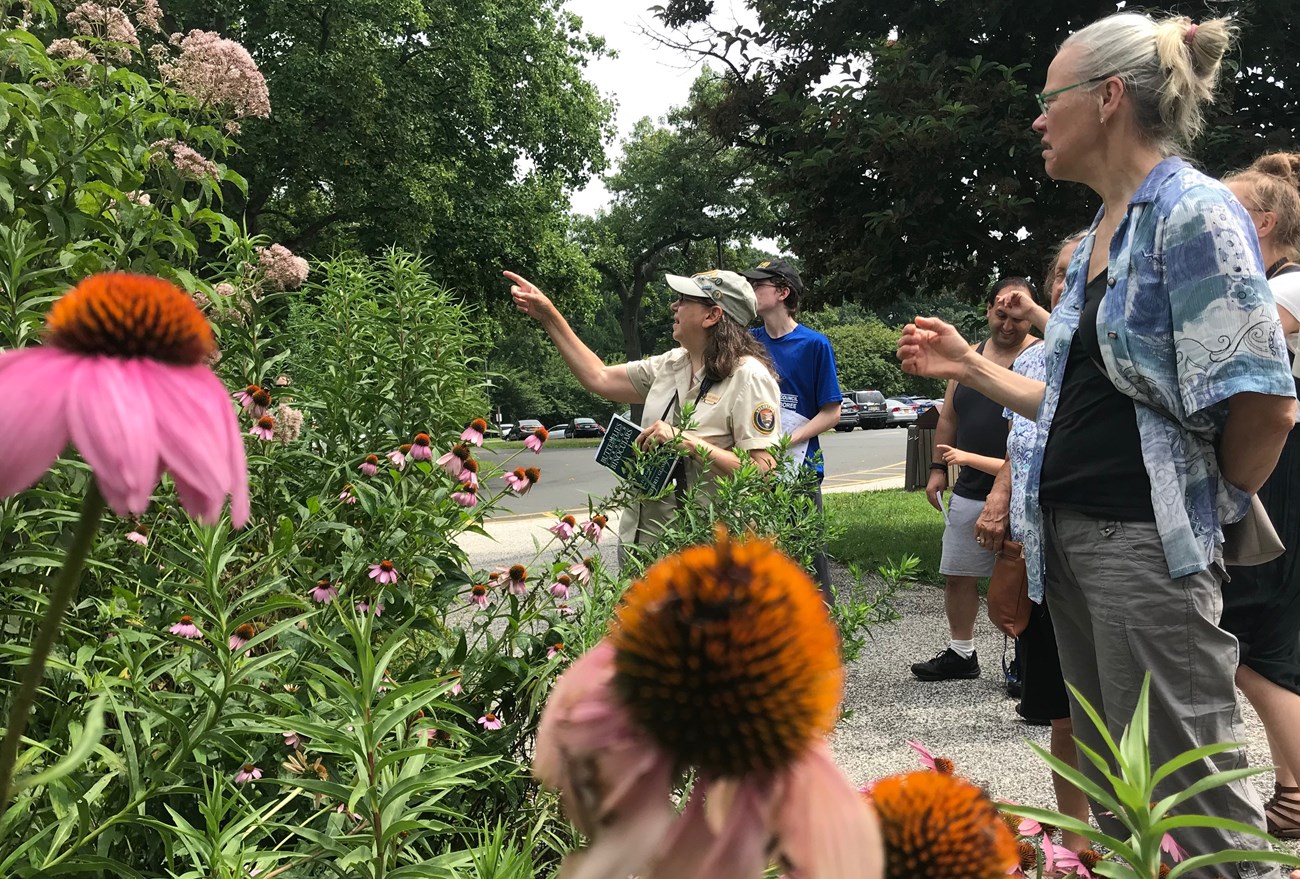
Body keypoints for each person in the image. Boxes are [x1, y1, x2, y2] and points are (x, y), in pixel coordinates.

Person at [897, 13, 1296, 872]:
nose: (1038, 118)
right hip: (1072, 541)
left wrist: (1195, 506)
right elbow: (1073, 396)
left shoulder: (1194, 214)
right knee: (1122, 781)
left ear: (1110, 98)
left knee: (1195, 795)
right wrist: (969, 363)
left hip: (1144, 544)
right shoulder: (1098, 238)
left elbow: (1267, 404)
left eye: (1051, 98)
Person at [504, 268, 781, 550]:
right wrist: (548, 315)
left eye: (685, 299)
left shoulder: (749, 377)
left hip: (703, 553)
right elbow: (598, 377)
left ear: (712, 316)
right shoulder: (671, 363)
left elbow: (764, 472)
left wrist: (684, 441)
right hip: (643, 544)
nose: (674, 306)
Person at [977, 231, 1091, 852]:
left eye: (1080, 275)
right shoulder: (1029, 360)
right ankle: (1076, 848)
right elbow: (1020, 445)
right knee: (1060, 709)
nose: (1063, 287)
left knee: (1125, 709)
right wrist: (999, 498)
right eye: (1058, 276)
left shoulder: (1116, 351)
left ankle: (1151, 848)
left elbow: (1085, 347)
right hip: (1040, 551)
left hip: (1102, 550)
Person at [1220, 152, 1300, 839]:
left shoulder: (1291, 287)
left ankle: (1298, 786)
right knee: (1264, 636)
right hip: (1276, 461)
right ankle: (1289, 787)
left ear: (1264, 222)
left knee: (1250, 638)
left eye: (1229, 210)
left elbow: (1228, 354)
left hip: (1281, 467)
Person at [910, 277, 1036, 682]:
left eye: (1017, 316)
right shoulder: (968, 357)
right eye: (1000, 314)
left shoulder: (1039, 355)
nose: (1008, 324)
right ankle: (962, 653)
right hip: (968, 488)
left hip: (1023, 488)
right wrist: (935, 471)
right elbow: (949, 417)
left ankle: (1025, 658)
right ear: (987, 311)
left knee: (1026, 579)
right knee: (958, 573)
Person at [743, 258, 842, 602]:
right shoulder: (747, 343)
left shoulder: (814, 344)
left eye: (759, 285)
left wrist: (786, 440)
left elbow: (832, 412)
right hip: (755, 469)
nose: (751, 291)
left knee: (807, 557)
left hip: (799, 470)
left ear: (783, 292)